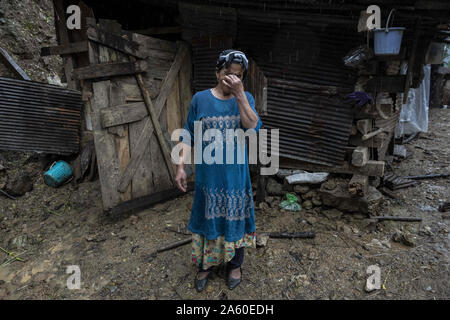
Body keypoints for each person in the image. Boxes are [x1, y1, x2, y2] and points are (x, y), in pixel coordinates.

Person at [175, 49, 262, 292]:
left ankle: (235, 264)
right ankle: (207, 264)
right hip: (207, 178)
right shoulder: (200, 99)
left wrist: (240, 95)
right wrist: (181, 166)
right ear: (217, 71)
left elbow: (253, 126)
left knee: (236, 218)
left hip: (235, 178)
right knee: (208, 218)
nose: (232, 80)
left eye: (238, 76)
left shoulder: (246, 99)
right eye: (227, 74)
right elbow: (187, 134)